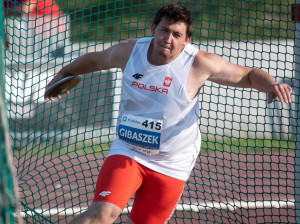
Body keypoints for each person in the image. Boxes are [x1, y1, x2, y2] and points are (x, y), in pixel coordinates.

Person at [45, 3, 293, 224]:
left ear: (186, 40)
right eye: (164, 30)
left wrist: (271, 85)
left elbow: (248, 74)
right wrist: (63, 73)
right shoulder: (130, 51)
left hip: (173, 162)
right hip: (129, 149)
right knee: (101, 214)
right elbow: (96, 60)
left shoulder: (199, 63)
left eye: (177, 35)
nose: (168, 39)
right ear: (153, 28)